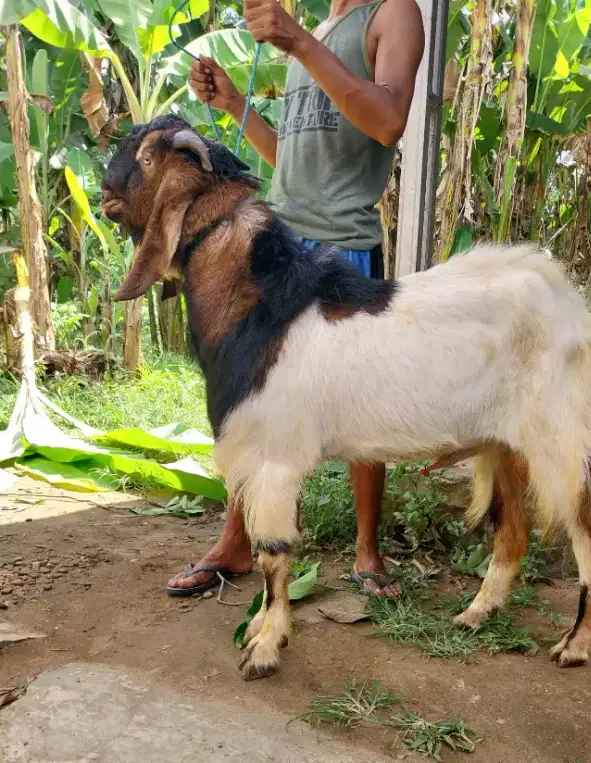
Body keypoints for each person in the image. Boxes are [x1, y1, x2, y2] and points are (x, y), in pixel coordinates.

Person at [166, 0, 424, 599]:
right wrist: (236, 105)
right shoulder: (323, 28)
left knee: (362, 397)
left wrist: (301, 43)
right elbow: (293, 161)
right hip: (282, 237)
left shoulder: (393, 13)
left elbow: (387, 121)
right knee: (251, 390)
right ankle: (236, 541)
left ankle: (367, 550)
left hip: (344, 242)